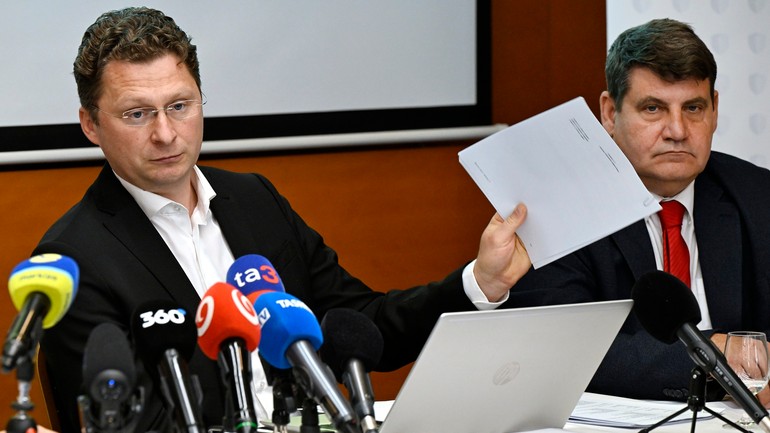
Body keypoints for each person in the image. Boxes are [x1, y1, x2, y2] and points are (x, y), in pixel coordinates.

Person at [33, 7, 531, 433]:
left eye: (180, 106)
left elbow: (362, 326)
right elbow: (126, 424)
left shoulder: (254, 200)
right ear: (91, 124)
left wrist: (480, 281)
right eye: (137, 114)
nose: (166, 133)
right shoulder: (72, 260)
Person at [506, 18, 770, 406]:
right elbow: (560, 348)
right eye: (653, 108)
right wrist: (716, 356)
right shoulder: (557, 210)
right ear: (609, 113)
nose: (677, 130)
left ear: (714, 110)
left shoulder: (757, 196)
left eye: (693, 108)